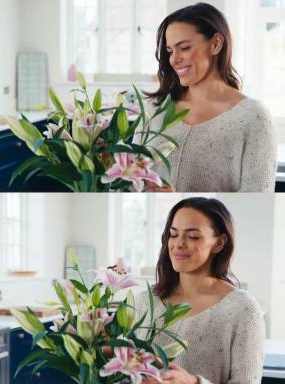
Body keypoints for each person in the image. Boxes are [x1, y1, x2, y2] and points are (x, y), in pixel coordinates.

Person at [145, 2, 275, 192]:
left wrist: (177, 199)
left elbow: (257, 201)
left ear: (216, 44)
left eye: (185, 47)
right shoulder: (155, 110)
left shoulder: (253, 118)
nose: (174, 59)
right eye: (170, 51)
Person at [137, 197, 264, 383]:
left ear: (219, 243)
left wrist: (194, 382)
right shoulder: (145, 301)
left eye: (193, 236)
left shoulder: (243, 310)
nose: (178, 244)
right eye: (173, 234)